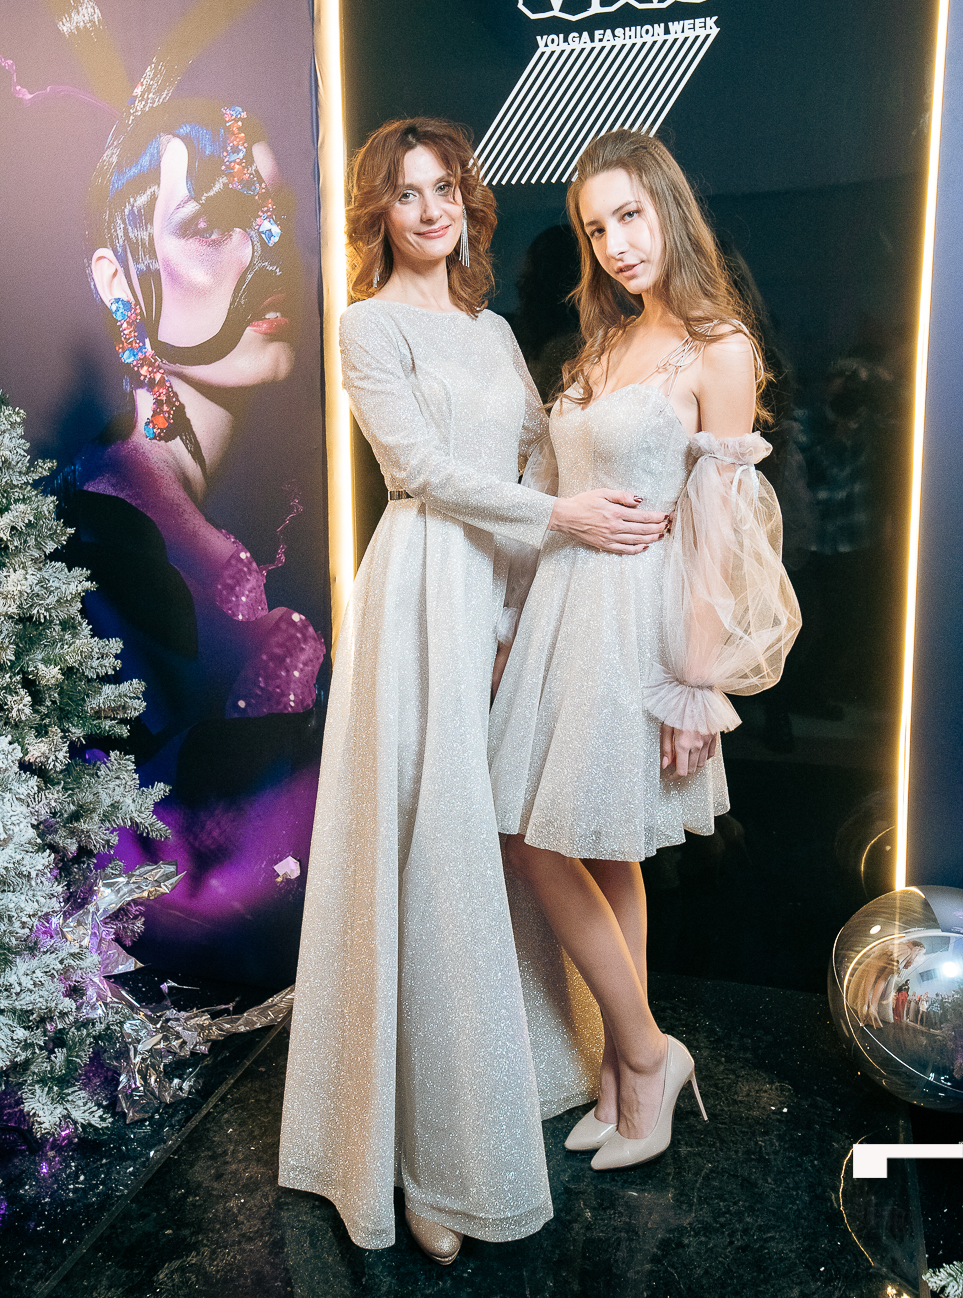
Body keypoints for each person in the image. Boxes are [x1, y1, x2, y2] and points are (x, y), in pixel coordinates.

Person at [277, 118, 669, 1262]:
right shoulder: (366, 324)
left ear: (467, 203)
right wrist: (559, 517)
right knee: (430, 855)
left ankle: (521, 1091)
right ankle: (420, 1161)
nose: (431, 209)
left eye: (445, 188)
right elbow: (419, 469)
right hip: (420, 599)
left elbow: (538, 453)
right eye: (407, 194)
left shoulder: (494, 331)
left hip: (505, 594)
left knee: (502, 849)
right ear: (380, 212)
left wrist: (533, 594)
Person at [490, 128, 800, 1172]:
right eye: (595, 227)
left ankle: (645, 1054)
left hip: (637, 625)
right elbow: (553, 492)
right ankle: (627, 1077)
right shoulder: (601, 344)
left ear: (669, 208)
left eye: (629, 214)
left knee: (543, 841)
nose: (616, 242)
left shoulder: (718, 348)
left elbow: (721, 529)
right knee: (591, 843)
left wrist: (695, 682)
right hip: (562, 614)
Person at [58, 97, 325, 983]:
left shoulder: (295, 508)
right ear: (117, 280)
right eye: (211, 226)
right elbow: (158, 898)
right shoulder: (103, 549)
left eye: (276, 218)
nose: (266, 256)